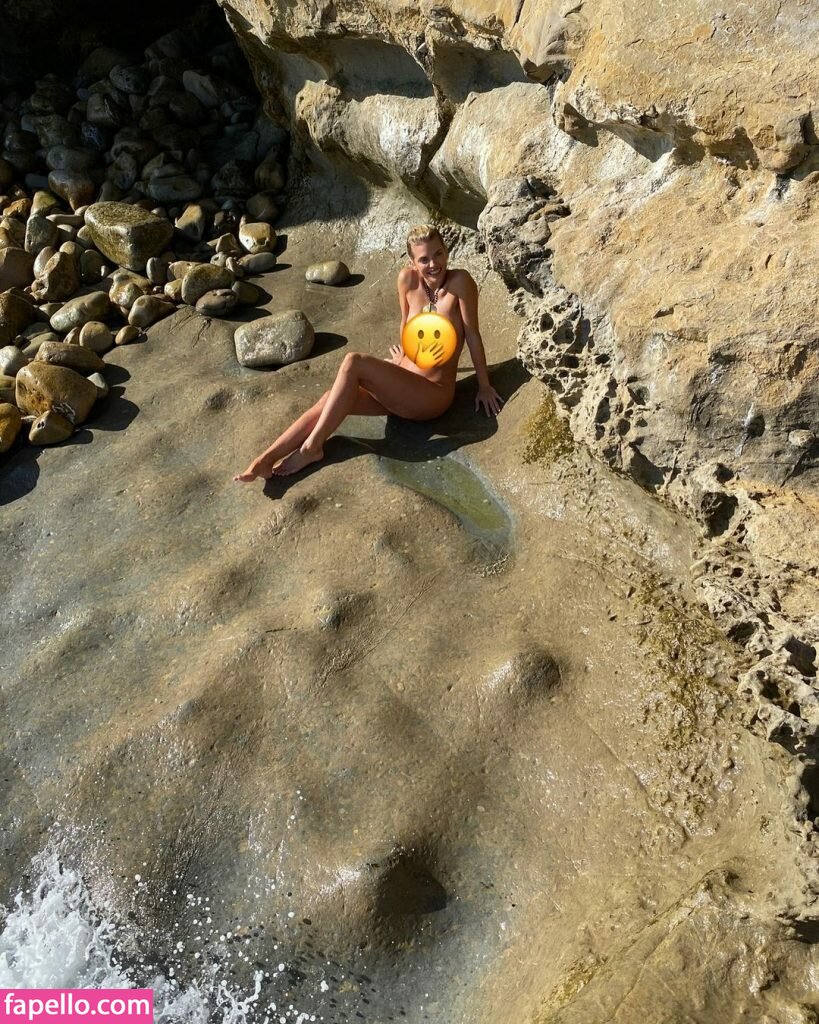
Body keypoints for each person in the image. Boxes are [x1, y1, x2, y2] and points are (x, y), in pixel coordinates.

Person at [234, 224, 503, 482]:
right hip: (402, 386)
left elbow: (472, 335)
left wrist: (484, 386)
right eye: (424, 259)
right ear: (413, 263)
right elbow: (406, 324)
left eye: (439, 254)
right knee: (331, 398)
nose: (434, 264)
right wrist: (402, 359)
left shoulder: (460, 283)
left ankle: (312, 448)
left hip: (431, 396)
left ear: (446, 251)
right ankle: (266, 459)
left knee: (354, 362)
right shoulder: (407, 280)